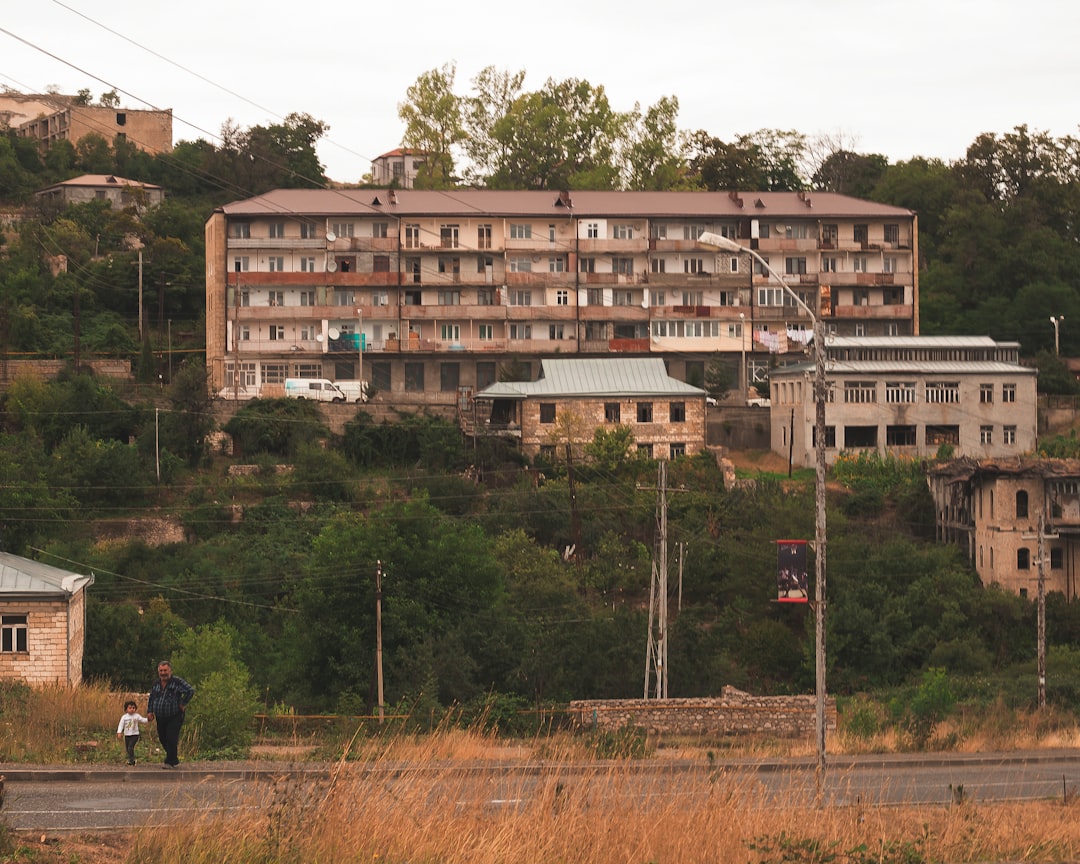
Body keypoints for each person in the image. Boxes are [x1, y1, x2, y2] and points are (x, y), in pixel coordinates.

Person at [146, 660, 194, 769]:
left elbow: (190, 690)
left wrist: (183, 703)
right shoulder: (156, 684)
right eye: (161, 671)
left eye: (165, 670)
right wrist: (150, 711)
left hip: (175, 716)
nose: (163, 673)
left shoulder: (177, 682)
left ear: (170, 671)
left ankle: (170, 762)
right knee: (163, 738)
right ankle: (174, 758)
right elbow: (152, 698)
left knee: (171, 738)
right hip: (160, 717)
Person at [116, 699, 149, 766]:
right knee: (128, 748)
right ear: (126, 709)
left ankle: (132, 760)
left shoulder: (136, 716)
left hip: (135, 735)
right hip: (127, 735)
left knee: (130, 747)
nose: (132, 709)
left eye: (133, 708)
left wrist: (148, 719)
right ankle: (131, 760)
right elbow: (121, 725)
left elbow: (142, 720)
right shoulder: (124, 717)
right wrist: (119, 732)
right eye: (130, 708)